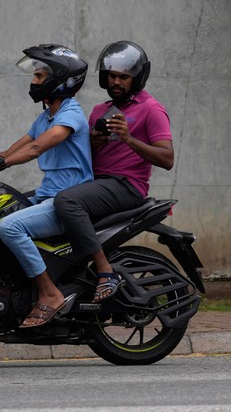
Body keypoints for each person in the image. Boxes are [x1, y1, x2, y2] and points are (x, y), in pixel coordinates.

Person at [0, 44, 92, 328]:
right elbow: (11, 151)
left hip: (68, 201)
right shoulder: (45, 117)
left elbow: (36, 148)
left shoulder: (70, 114)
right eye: (35, 76)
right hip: (47, 196)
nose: (33, 82)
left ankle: (50, 294)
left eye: (39, 77)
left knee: (10, 227)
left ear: (59, 80)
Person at [54, 41, 173, 302]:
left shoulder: (151, 109)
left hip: (127, 186)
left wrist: (129, 139)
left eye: (123, 77)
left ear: (137, 78)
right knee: (45, 198)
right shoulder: (100, 110)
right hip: (96, 183)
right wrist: (93, 145)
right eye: (112, 76)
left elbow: (167, 158)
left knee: (67, 201)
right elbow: (86, 156)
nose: (116, 81)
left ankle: (104, 271)